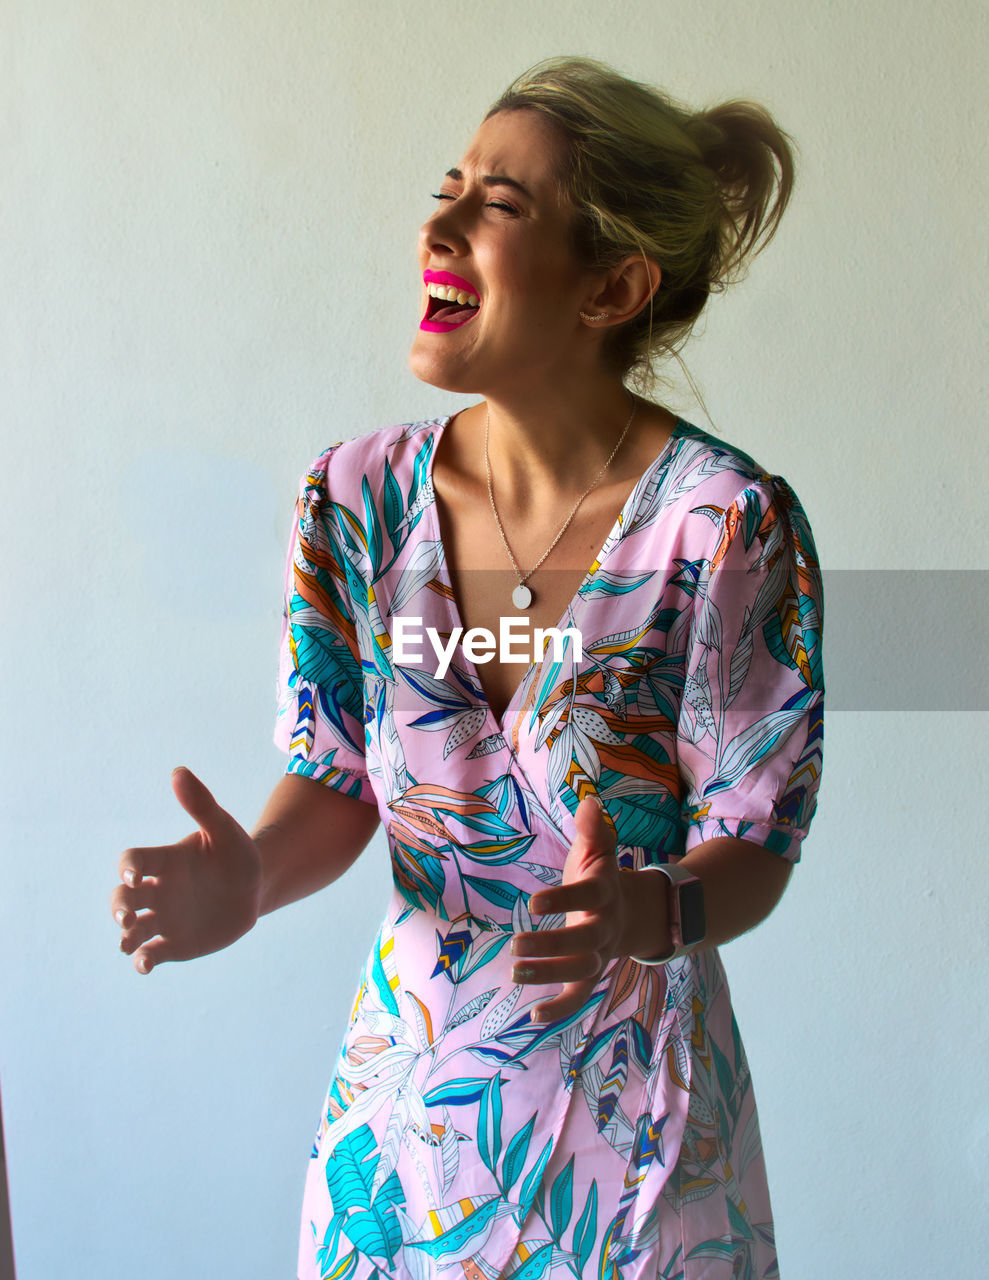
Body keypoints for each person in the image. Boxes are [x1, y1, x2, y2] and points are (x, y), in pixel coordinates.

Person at [111, 57, 824, 1280]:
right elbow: (336, 782)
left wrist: (650, 911)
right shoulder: (353, 499)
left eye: (496, 203)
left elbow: (756, 839)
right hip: (401, 1140)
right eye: (448, 186)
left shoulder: (720, 524)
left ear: (612, 283)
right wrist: (249, 882)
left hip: (637, 1156)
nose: (435, 224)